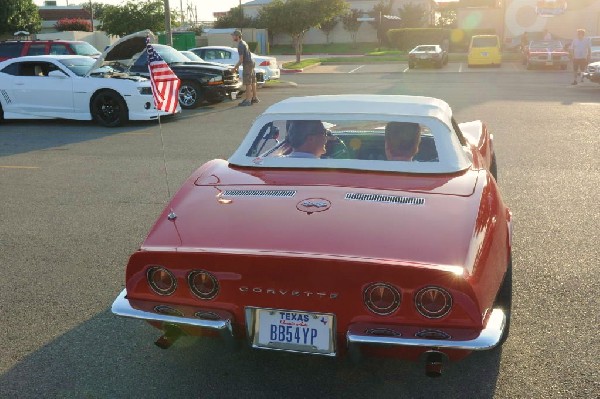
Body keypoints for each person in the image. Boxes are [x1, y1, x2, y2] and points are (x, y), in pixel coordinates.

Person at [231, 29, 259, 106]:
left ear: (237, 36)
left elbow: (241, 59)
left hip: (247, 64)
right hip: (251, 62)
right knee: (253, 81)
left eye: (233, 36)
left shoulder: (240, 45)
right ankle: (254, 97)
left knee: (247, 82)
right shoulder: (244, 43)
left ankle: (248, 100)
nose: (232, 37)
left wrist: (234, 68)